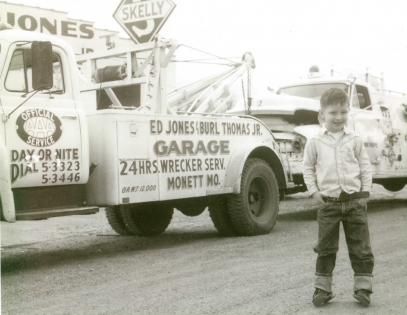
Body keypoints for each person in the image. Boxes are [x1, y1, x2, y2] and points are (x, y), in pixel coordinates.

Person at [303, 88, 374, 307]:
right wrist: (314, 191)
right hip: (328, 204)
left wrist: (365, 192)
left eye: (343, 112)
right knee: (326, 249)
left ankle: (363, 288)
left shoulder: (354, 139)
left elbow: (364, 166)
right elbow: (307, 168)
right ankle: (322, 290)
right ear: (321, 115)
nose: (339, 117)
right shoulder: (314, 142)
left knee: (361, 247)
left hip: (355, 202)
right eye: (333, 112)